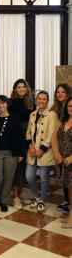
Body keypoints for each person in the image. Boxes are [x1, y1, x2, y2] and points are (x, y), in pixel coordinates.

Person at [0, 95, 25, 212]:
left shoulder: (14, 118)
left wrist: (21, 153)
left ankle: (3, 201)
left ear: (7, 104)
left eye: (3, 103)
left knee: (8, 178)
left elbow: (20, 136)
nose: (1, 105)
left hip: (11, 153)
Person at [25, 91, 57, 213]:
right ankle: (36, 196)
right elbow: (28, 132)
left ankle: (42, 200)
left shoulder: (52, 115)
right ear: (36, 100)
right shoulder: (32, 114)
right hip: (32, 151)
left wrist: (42, 149)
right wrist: (30, 147)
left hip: (45, 152)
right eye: (39, 99)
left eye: (44, 99)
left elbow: (52, 134)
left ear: (47, 101)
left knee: (44, 178)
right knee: (29, 177)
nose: (41, 101)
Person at [9, 79, 34, 209]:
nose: (21, 89)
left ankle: (22, 192)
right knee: (16, 166)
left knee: (24, 166)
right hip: (16, 136)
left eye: (23, 86)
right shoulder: (11, 103)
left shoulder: (31, 102)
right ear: (15, 89)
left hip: (29, 137)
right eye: (19, 87)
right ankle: (15, 196)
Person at [51, 83, 71, 214]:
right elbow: (54, 136)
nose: (60, 94)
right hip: (61, 154)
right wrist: (57, 154)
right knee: (64, 180)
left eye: (63, 92)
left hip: (70, 155)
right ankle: (67, 202)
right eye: (58, 92)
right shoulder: (56, 111)